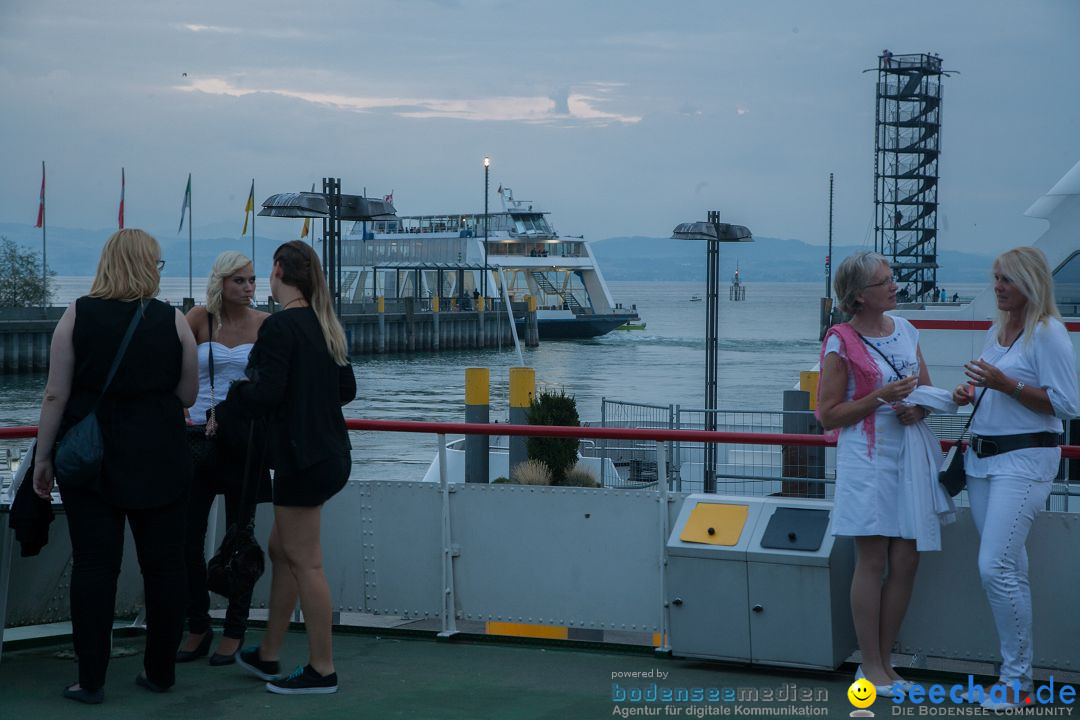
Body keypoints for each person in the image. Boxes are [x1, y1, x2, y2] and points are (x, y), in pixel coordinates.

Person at [32, 229, 198, 703]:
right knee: (165, 567)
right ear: (151, 267)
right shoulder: (173, 320)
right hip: (162, 456)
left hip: (93, 460)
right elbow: (187, 395)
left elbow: (55, 394)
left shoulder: (77, 315)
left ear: (106, 262)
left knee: (94, 567)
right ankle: (161, 672)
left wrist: (44, 458)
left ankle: (91, 680)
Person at [951, 247, 1078, 709]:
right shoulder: (1000, 331)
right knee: (1009, 566)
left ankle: (1016, 682)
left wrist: (1007, 386)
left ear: (1029, 282)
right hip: (983, 463)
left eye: (1006, 279)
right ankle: (1015, 674)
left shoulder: (1047, 334)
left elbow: (1067, 404)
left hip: (1023, 462)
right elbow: (1000, 388)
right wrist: (972, 392)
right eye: (996, 278)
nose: (998, 287)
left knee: (995, 566)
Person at [233, 241, 356, 695]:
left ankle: (322, 669)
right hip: (330, 454)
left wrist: (231, 400)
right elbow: (346, 389)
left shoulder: (280, 328)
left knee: (307, 563)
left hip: (299, 459)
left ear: (279, 271)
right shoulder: (325, 325)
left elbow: (263, 394)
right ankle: (268, 652)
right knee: (283, 550)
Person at [817, 251, 933, 698]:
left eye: (892, 278)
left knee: (906, 559)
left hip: (908, 455)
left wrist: (919, 407)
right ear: (859, 296)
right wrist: (880, 398)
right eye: (885, 281)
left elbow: (925, 389)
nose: (895, 285)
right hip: (866, 460)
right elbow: (828, 415)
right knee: (873, 559)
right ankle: (869, 667)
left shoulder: (905, 330)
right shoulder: (840, 341)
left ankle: (886, 663)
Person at [178, 252, 269, 666]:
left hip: (244, 440)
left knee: (241, 538)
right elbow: (173, 370)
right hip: (197, 436)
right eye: (240, 281)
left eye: (252, 280)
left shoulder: (265, 324)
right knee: (186, 537)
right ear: (221, 283)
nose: (249, 287)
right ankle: (198, 622)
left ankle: (235, 628)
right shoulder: (198, 318)